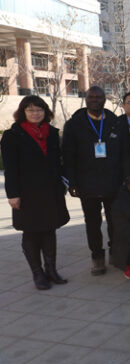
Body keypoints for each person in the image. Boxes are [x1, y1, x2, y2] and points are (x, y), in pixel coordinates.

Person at [1, 96, 69, 290]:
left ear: (45, 112)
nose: (35, 113)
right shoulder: (13, 135)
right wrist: (13, 194)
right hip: (27, 193)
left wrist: (64, 184)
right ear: (23, 112)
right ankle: (38, 274)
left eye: (39, 109)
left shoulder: (52, 133)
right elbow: (10, 168)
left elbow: (58, 162)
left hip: (50, 191)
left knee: (49, 230)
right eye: (30, 110)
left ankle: (51, 270)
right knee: (31, 232)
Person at [62, 86, 122, 275]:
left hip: (113, 182)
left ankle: (115, 251)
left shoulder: (114, 121)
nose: (95, 100)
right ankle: (97, 257)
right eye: (91, 97)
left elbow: (123, 153)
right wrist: (72, 182)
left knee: (115, 221)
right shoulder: (74, 124)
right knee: (92, 223)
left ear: (105, 99)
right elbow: (68, 155)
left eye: (99, 97)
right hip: (86, 183)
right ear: (86, 99)